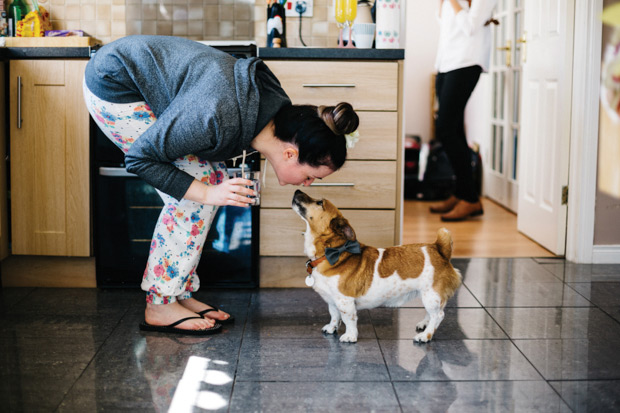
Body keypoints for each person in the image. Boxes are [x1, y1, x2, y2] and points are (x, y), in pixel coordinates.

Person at [83, 35, 359, 335]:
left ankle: (179, 294)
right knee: (199, 192)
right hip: (115, 83)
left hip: (145, 78)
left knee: (210, 183)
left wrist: (212, 189)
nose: (307, 184)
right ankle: (159, 304)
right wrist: (207, 192)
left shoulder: (274, 112)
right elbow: (140, 158)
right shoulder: (215, 116)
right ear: (290, 154)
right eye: (310, 176)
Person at [430, 0, 498, 221]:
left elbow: (470, 27)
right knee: (454, 128)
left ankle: (469, 198)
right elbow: (444, 23)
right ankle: (462, 193)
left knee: (446, 128)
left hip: (467, 61)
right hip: (447, 62)